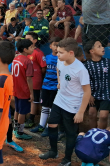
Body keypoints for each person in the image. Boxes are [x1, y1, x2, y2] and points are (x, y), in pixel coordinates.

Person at [39, 38, 91, 166]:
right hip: (60, 99)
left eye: (60, 52)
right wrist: (60, 81)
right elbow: (59, 70)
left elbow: (87, 92)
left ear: (71, 53)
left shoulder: (80, 69)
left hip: (73, 105)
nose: (57, 55)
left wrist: (80, 112)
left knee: (70, 132)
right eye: (57, 52)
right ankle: (53, 151)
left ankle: (67, 159)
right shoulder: (60, 61)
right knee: (51, 124)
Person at [30, 37, 62, 136]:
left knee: (52, 107)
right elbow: (43, 70)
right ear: (50, 46)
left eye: (58, 45)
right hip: (46, 85)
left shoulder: (61, 59)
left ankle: (49, 127)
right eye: (54, 45)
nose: (56, 47)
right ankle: (41, 125)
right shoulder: (47, 57)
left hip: (55, 87)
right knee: (44, 106)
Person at [84, 40, 110, 129]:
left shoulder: (107, 62)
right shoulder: (86, 65)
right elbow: (85, 81)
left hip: (107, 94)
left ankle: (101, 135)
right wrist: (89, 94)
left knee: (103, 116)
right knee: (91, 114)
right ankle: (93, 134)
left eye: (102, 46)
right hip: (93, 94)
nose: (103, 48)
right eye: (99, 46)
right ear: (92, 51)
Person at [12, 39, 34, 140]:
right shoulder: (28, 61)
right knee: (23, 112)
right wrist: (31, 93)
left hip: (16, 88)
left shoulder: (16, 59)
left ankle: (15, 128)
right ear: (25, 49)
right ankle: (20, 132)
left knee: (17, 109)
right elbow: (29, 79)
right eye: (31, 47)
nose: (33, 48)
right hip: (24, 90)